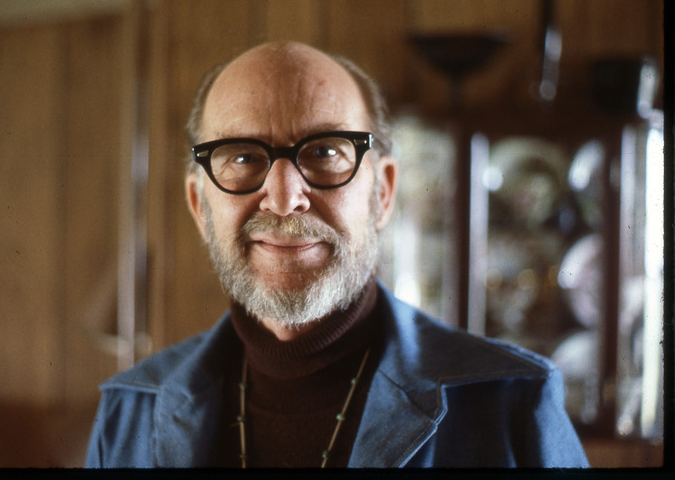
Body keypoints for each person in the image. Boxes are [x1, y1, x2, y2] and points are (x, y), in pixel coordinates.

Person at [85, 41, 589, 468]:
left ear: (383, 193)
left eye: (325, 152)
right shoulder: (129, 414)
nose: (284, 198)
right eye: (242, 157)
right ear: (200, 205)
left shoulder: (511, 404)